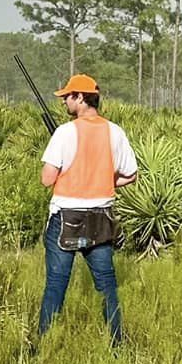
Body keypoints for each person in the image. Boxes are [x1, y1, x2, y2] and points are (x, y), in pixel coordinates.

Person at [37, 74, 137, 343]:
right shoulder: (115, 131)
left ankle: (44, 345)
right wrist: (103, 178)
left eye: (68, 97)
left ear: (80, 98)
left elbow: (47, 179)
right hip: (101, 220)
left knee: (56, 286)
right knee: (107, 286)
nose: (65, 102)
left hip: (65, 220)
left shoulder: (64, 132)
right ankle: (118, 344)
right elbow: (131, 175)